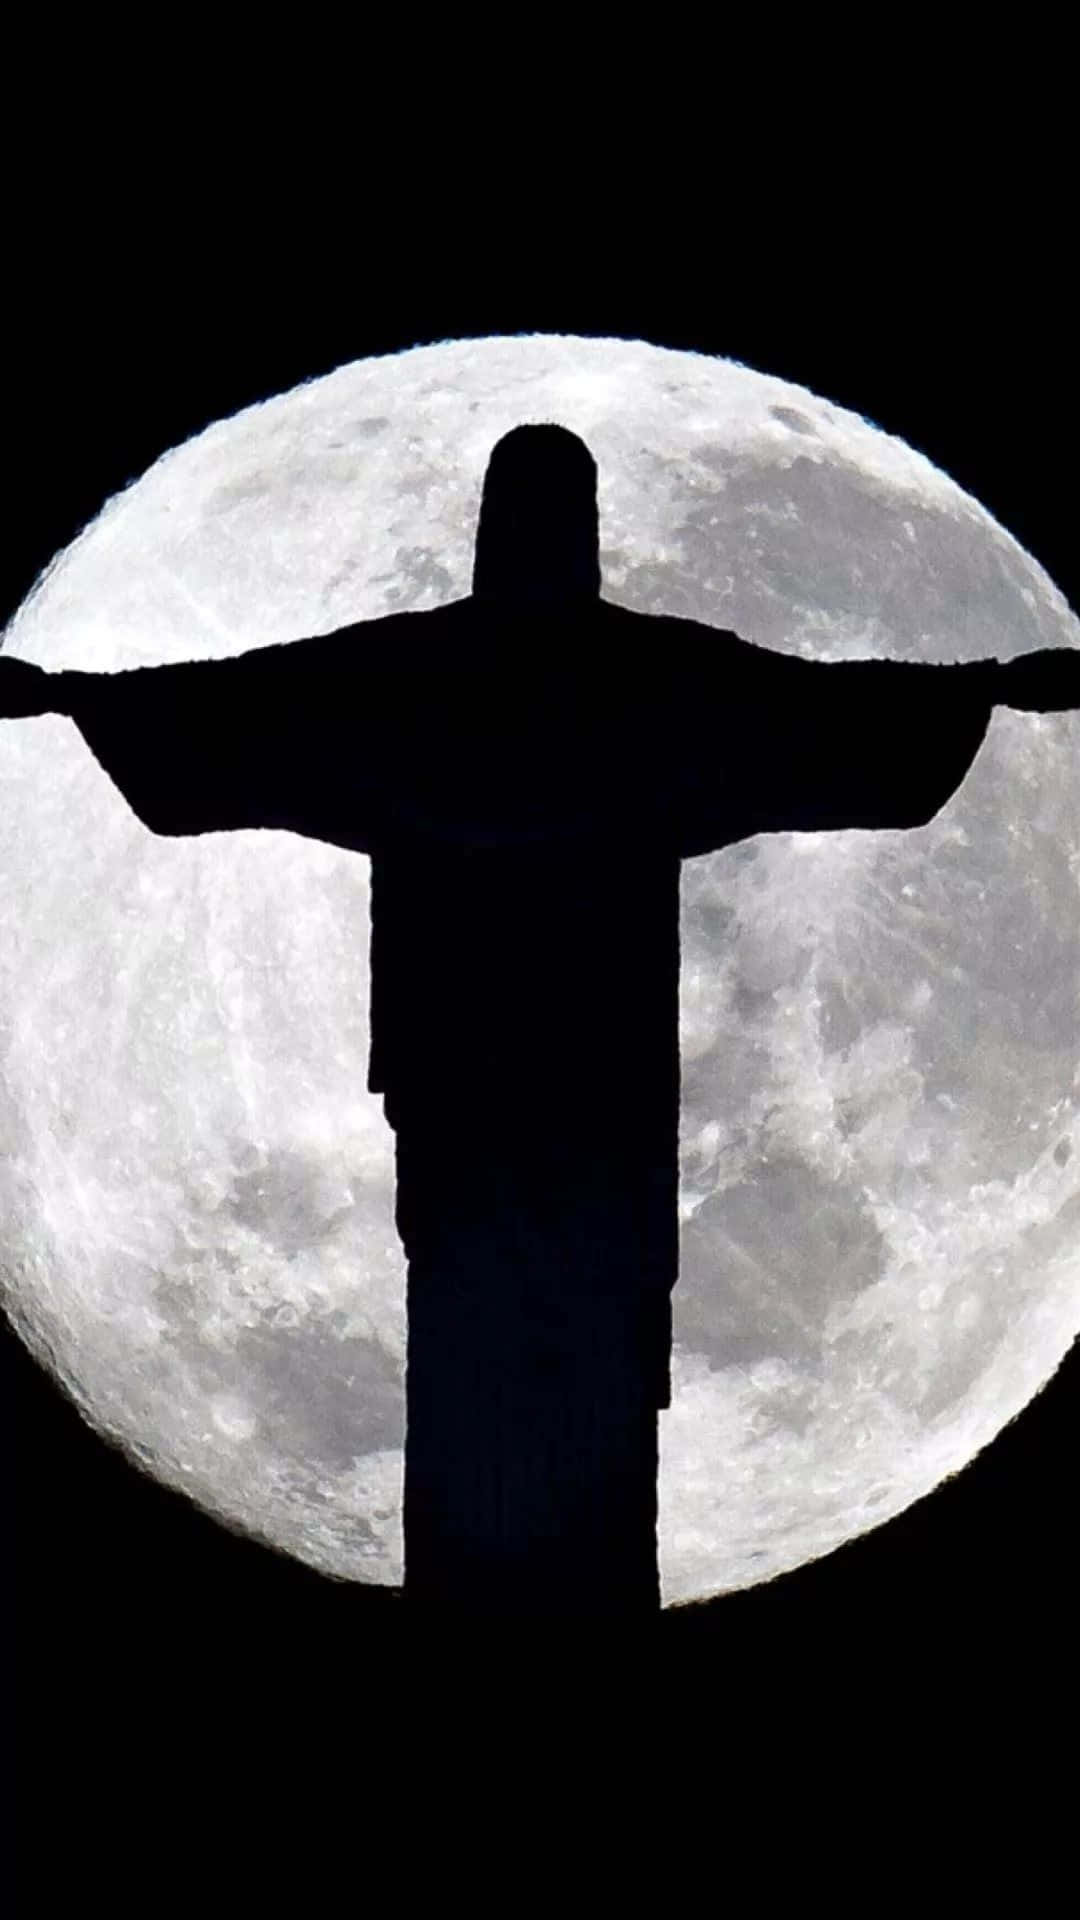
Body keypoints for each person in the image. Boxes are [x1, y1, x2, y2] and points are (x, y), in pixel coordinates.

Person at [1, 424, 1077, 1617]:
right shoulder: (632, 683)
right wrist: (985, 689)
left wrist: (73, 701)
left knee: (549, 1339)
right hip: (532, 1081)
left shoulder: (430, 681)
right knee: (510, 1335)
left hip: (535, 1085)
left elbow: (239, 715)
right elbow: (818, 719)